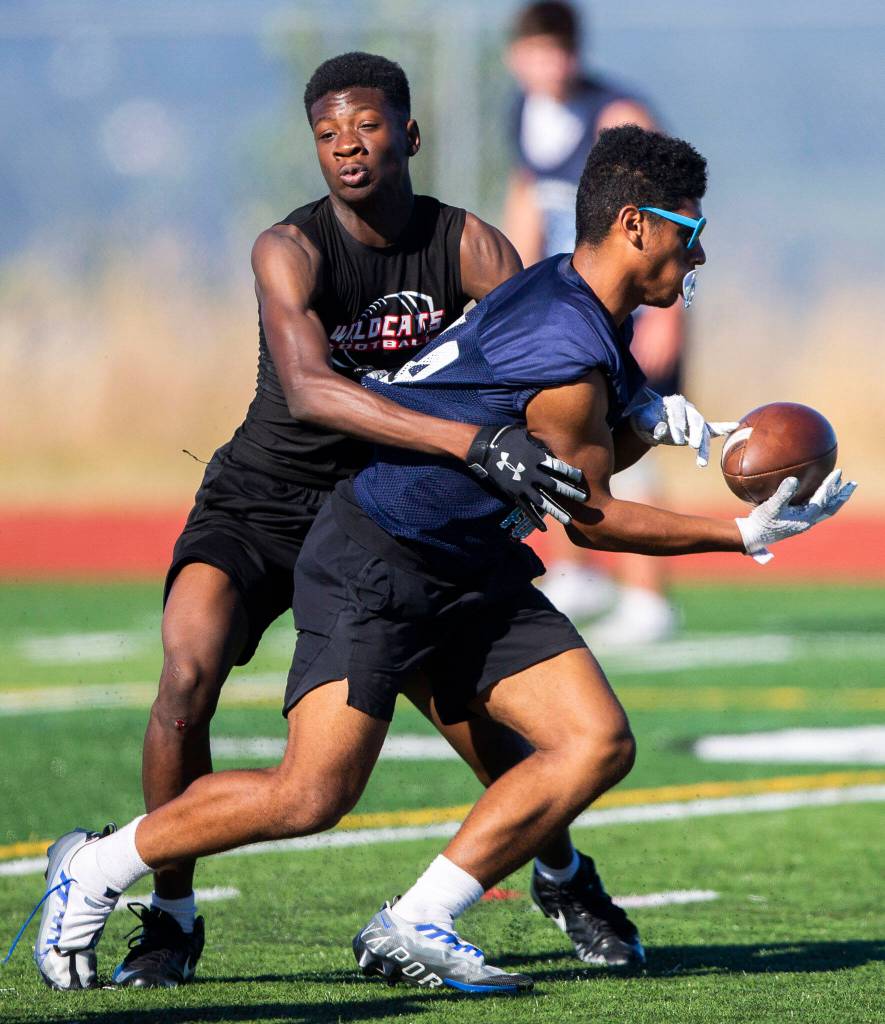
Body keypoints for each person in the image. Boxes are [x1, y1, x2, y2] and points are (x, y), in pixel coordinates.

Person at [25, 126, 854, 996]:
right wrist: (740, 534)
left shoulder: (565, 293)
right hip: (379, 561)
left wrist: (639, 415)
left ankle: (418, 919)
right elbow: (591, 519)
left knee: (594, 741)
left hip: (467, 562)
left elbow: (567, 458)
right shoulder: (572, 347)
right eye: (688, 230)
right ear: (636, 227)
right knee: (311, 795)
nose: (699, 249)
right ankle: (98, 863)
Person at [90, 50, 635, 989]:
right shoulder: (288, 247)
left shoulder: (468, 246)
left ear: (410, 135)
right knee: (186, 675)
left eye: (368, 127)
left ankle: (560, 870)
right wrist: (469, 446)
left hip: (384, 509)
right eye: (328, 134)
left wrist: (618, 425)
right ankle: (169, 917)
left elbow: (529, 371)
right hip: (265, 499)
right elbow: (307, 390)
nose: (347, 147)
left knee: (470, 708)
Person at [504, 0, 687, 641]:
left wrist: (670, 316)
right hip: (569, 305)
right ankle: (575, 570)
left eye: (559, 50)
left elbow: (673, 221)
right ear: (515, 56)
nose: (547, 64)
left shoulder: (617, 115)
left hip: (630, 305)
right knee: (555, 429)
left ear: (576, 54)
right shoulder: (523, 113)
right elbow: (528, 198)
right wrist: (513, 293)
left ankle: (649, 597)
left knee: (633, 441)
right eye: (535, 51)